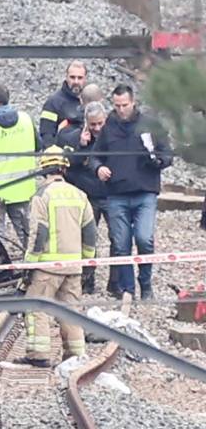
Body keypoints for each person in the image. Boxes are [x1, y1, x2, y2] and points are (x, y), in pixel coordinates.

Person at [93, 85, 173, 301]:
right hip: (116, 194)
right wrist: (98, 168)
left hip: (144, 192)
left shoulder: (150, 125)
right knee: (121, 245)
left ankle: (145, 284)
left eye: (124, 105)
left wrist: (157, 161)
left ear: (133, 101)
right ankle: (128, 289)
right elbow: (94, 156)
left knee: (144, 239)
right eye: (117, 106)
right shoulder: (109, 126)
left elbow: (168, 154)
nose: (120, 110)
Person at [20, 147, 97, 367]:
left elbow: (39, 233)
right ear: (64, 168)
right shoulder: (79, 195)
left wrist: (30, 263)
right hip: (73, 266)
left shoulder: (41, 195)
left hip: (47, 266)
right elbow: (90, 232)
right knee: (71, 310)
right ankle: (76, 354)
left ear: (43, 169)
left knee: (36, 309)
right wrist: (87, 261)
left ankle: (38, 354)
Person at [57, 97, 113, 295]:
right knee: (88, 240)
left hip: (111, 194)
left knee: (118, 239)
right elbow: (68, 165)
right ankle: (87, 281)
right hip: (88, 194)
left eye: (100, 124)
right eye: (93, 125)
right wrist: (81, 146)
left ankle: (114, 284)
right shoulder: (73, 136)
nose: (97, 128)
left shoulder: (113, 135)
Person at [0, 83, 42, 244]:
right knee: (29, 237)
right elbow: (38, 146)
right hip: (22, 190)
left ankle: (1, 268)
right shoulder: (26, 119)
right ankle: (34, 267)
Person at [39, 61, 88, 146]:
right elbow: (46, 136)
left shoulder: (90, 99)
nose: (76, 81)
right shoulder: (53, 103)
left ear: (85, 79)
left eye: (80, 78)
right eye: (72, 77)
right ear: (66, 77)